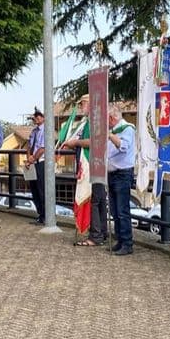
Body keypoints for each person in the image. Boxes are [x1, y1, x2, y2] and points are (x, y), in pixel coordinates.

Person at [64, 94, 108, 246]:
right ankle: (102, 232)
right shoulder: (91, 121)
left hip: (92, 163)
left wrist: (75, 142)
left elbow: (93, 142)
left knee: (94, 200)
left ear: (88, 104)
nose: (81, 107)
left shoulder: (93, 121)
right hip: (96, 163)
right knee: (100, 199)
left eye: (82, 104)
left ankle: (96, 235)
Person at [107, 104, 136, 255]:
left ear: (111, 118)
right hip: (112, 173)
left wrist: (111, 136)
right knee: (114, 210)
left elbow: (123, 146)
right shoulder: (113, 130)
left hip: (122, 173)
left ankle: (127, 242)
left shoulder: (127, 129)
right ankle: (120, 239)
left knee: (122, 210)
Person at [25, 107, 46, 224]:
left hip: (40, 163)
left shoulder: (45, 131)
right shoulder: (34, 131)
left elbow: (42, 148)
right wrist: (29, 158)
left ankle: (45, 215)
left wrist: (33, 158)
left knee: (41, 189)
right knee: (34, 189)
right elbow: (29, 145)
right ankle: (40, 213)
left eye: (39, 116)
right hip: (32, 162)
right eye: (35, 116)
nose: (36, 118)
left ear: (43, 118)